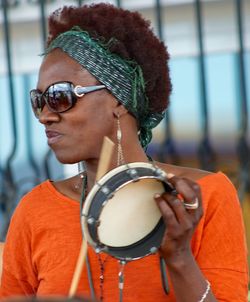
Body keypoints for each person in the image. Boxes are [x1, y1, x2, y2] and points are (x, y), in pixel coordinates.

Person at [0, 3, 248, 302]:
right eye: (38, 100)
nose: (44, 116)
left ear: (118, 99)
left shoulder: (205, 197)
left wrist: (179, 258)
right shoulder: (35, 209)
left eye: (59, 96)